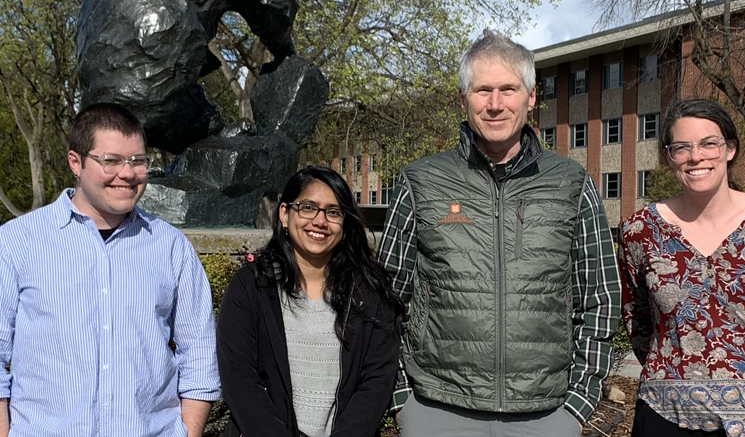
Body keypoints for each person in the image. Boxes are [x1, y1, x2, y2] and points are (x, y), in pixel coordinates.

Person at [378, 29, 621, 436]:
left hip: (545, 413)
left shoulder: (571, 182)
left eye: (508, 89)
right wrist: (403, 400)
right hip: (437, 408)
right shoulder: (422, 181)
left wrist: (578, 404)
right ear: (463, 99)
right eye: (482, 90)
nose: (495, 104)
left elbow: (600, 296)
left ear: (530, 97)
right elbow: (385, 297)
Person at [0, 102, 221, 437]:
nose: (128, 173)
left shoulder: (170, 246)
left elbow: (201, 355)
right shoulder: (17, 242)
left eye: (138, 161)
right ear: (76, 162)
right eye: (112, 161)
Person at [619, 98, 745, 437]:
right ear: (669, 156)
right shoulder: (640, 231)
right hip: (667, 414)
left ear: (730, 148)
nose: (696, 157)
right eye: (681, 147)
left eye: (709, 144)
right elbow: (638, 320)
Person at [217, 166, 405, 437]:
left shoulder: (368, 292)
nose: (320, 221)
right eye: (308, 207)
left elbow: (376, 381)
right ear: (285, 213)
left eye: (333, 212)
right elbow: (240, 379)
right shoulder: (251, 287)